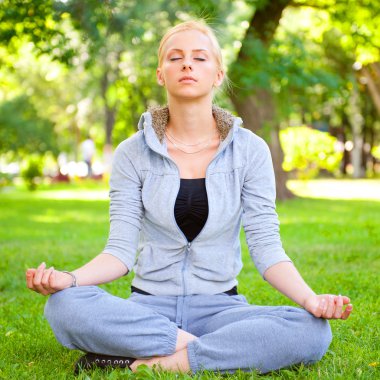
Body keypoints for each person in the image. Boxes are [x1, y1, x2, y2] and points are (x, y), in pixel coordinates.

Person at [25, 20, 352, 375]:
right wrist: (68, 280)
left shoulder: (250, 151)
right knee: (63, 306)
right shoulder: (131, 153)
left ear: (217, 74)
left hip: (222, 311)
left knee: (312, 330)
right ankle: (205, 351)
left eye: (199, 57)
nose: (187, 64)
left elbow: (267, 248)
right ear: (160, 74)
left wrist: (310, 300)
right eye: (175, 57)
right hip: (147, 310)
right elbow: (118, 253)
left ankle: (149, 363)